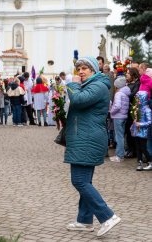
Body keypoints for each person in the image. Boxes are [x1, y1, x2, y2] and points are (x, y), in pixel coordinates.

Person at [65, 56, 121, 237]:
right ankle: (84, 220)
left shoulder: (97, 86)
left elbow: (79, 101)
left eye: (84, 68)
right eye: (78, 68)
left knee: (79, 181)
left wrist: (72, 85)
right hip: (86, 137)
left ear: (93, 70)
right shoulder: (92, 85)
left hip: (88, 138)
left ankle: (107, 216)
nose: (80, 72)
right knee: (85, 181)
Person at [109, 77, 131, 162]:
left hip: (118, 116)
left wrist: (111, 110)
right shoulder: (125, 93)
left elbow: (117, 106)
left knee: (119, 137)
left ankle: (119, 155)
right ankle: (121, 153)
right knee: (121, 136)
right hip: (124, 116)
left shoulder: (118, 94)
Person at [130, 91, 152, 171]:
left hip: (144, 132)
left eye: (138, 98)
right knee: (138, 147)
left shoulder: (147, 110)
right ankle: (139, 162)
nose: (137, 100)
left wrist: (140, 124)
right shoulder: (137, 108)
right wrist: (134, 123)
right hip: (137, 131)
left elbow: (150, 122)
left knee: (143, 148)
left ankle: (150, 162)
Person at [125, 68, 140, 158]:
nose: (126, 75)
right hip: (127, 110)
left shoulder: (137, 84)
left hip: (132, 111)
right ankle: (130, 150)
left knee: (131, 131)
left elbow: (133, 95)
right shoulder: (128, 83)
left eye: (128, 73)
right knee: (128, 131)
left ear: (133, 75)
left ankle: (133, 151)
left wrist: (124, 95)